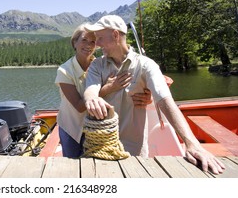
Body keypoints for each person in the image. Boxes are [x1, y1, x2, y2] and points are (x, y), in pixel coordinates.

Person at [83, 15, 225, 174]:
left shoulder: (146, 65)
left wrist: (193, 144)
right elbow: (90, 90)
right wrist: (92, 98)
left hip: (134, 150)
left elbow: (165, 101)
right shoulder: (96, 65)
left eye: (100, 38)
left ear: (116, 35)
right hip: (101, 146)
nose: (97, 44)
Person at [55, 23, 152, 158]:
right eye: (84, 40)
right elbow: (79, 106)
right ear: (74, 42)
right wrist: (108, 89)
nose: (89, 45)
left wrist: (147, 96)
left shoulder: (101, 64)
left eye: (93, 41)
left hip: (97, 127)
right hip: (72, 128)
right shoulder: (64, 71)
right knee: (74, 166)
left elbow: (127, 86)